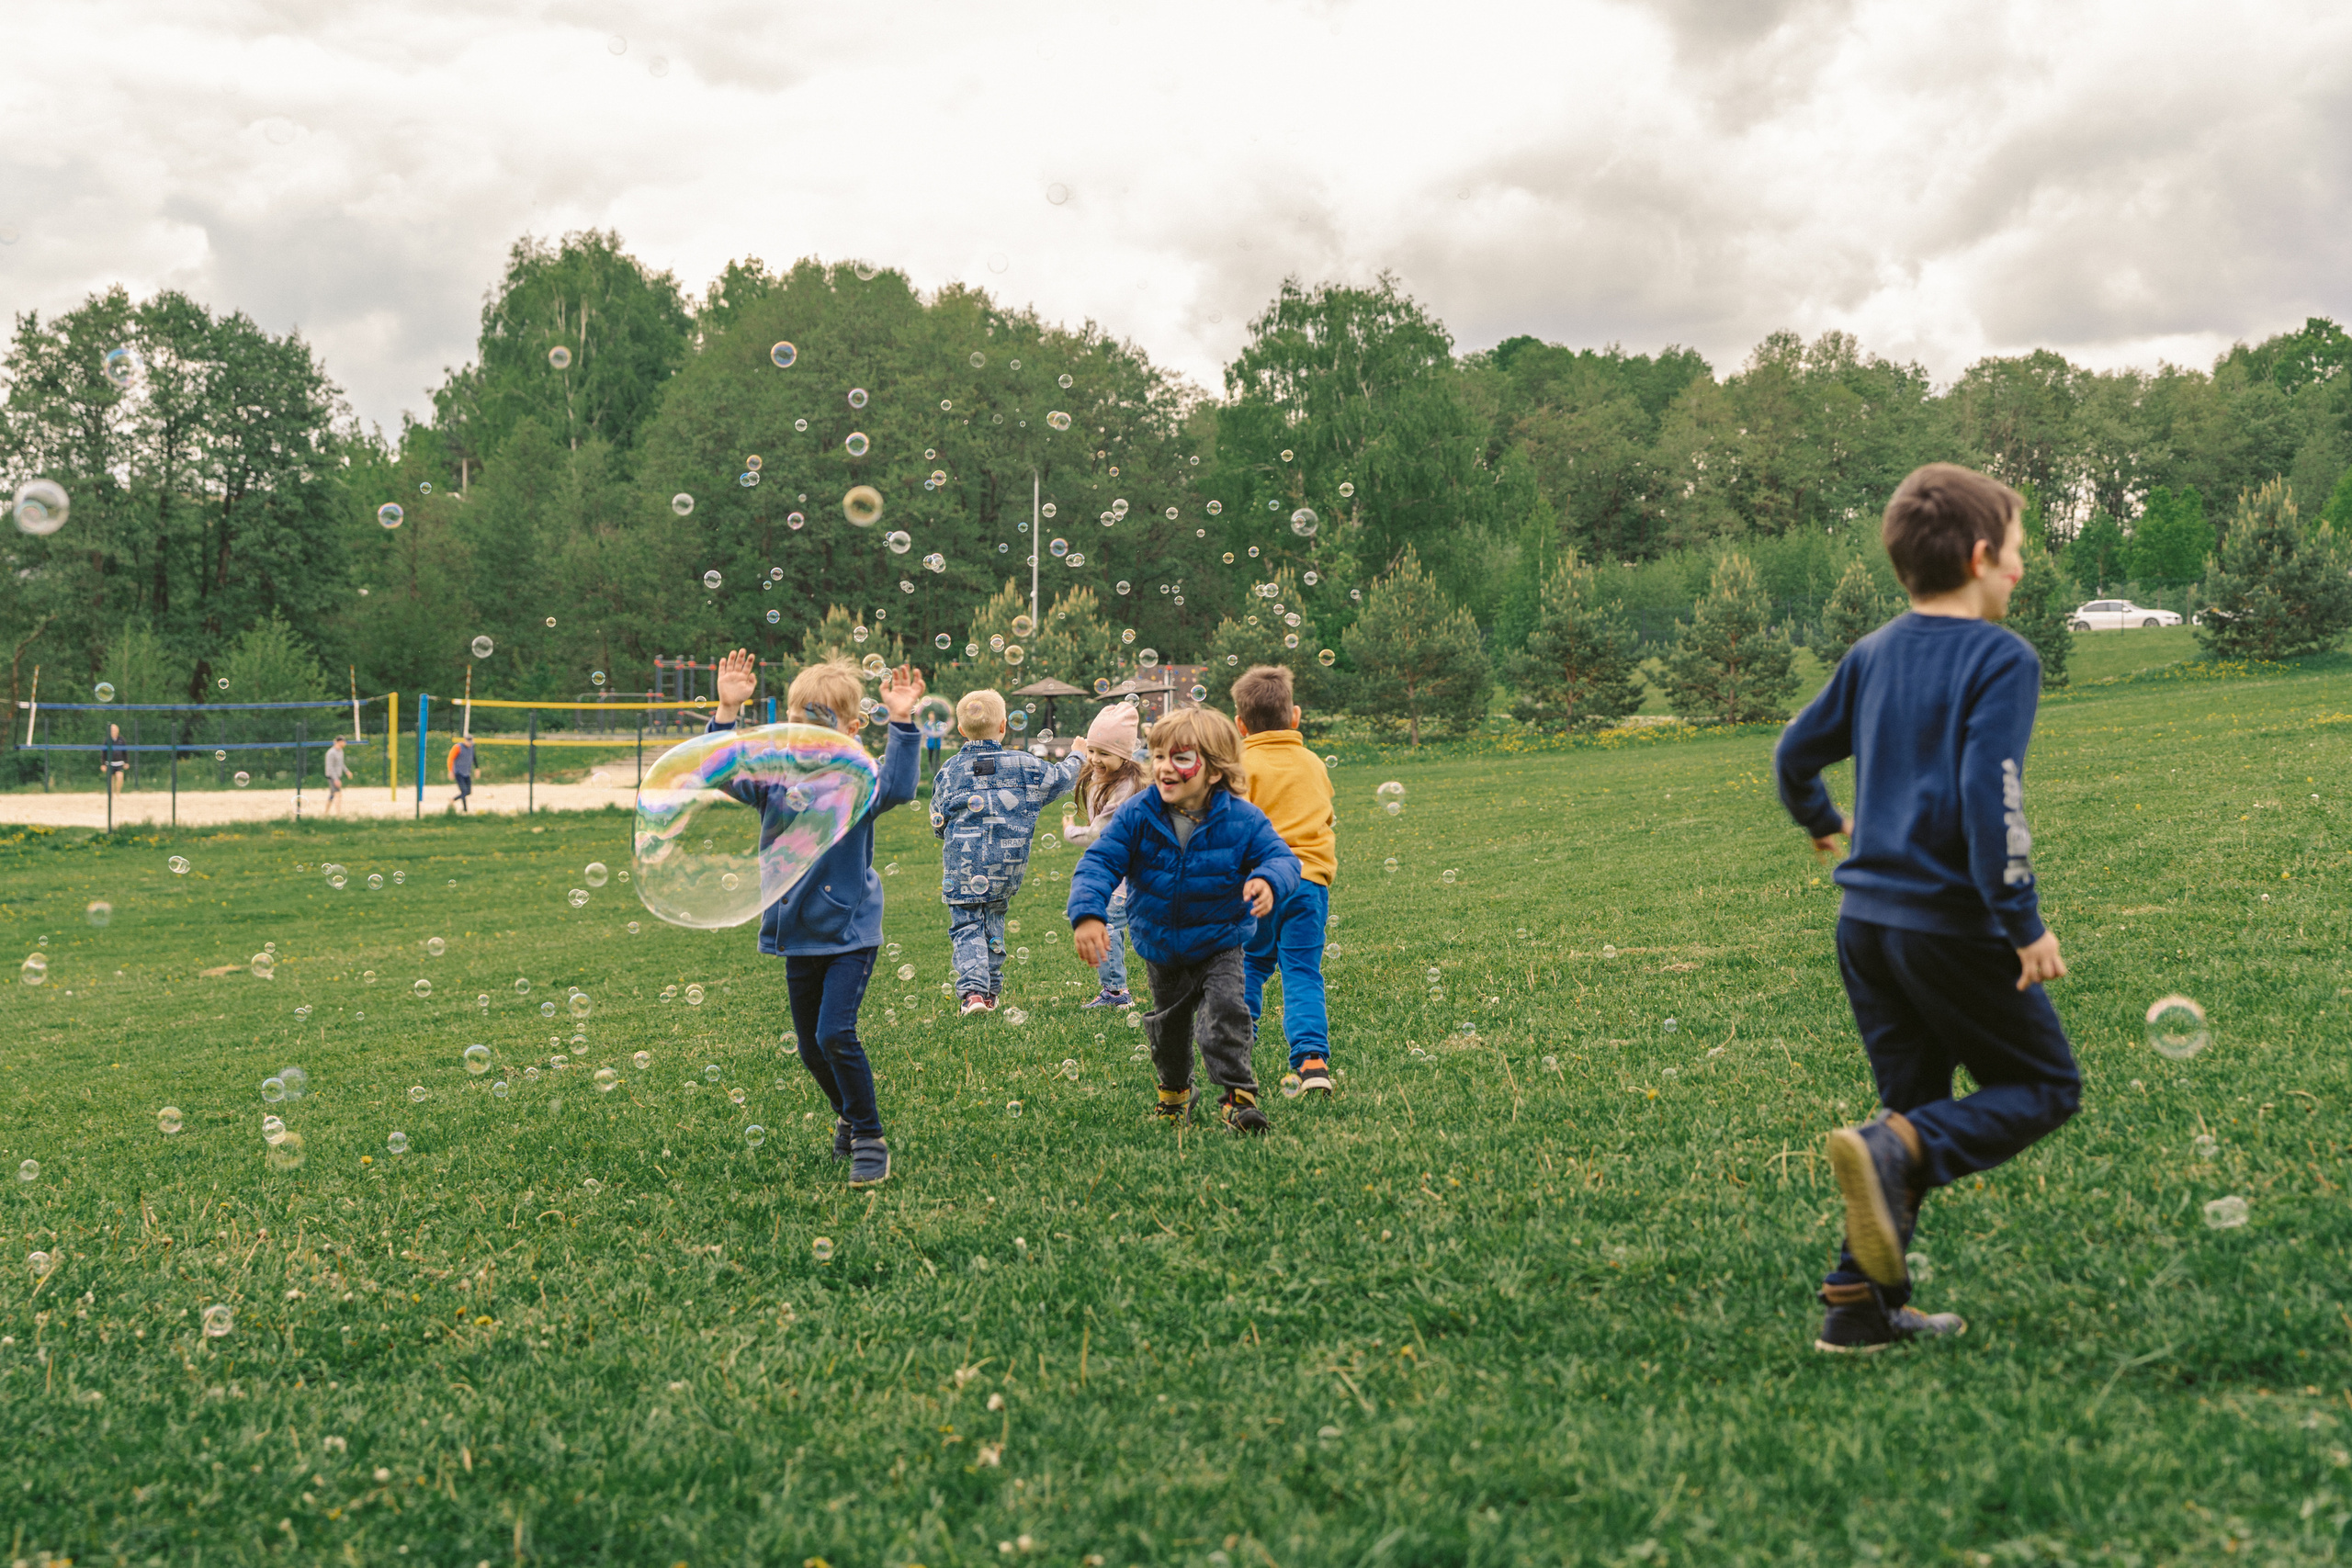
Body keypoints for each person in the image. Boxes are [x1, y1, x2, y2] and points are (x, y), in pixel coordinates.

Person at [1773, 462, 2078, 1354]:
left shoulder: (1870, 654)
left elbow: (1795, 753)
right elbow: (1993, 798)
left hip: (1864, 925)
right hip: (1947, 924)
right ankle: (1894, 1159)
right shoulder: (2000, 658)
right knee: (2045, 1087)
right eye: (2016, 553)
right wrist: (2021, 920)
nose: (2020, 571)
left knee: (1908, 1107)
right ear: (1981, 556)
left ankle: (1856, 1308)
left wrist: (1821, 820)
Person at [710, 648, 923, 1187]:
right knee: (809, 1047)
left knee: (834, 1034)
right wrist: (727, 710)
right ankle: (849, 1117)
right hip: (798, 934)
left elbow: (900, 786)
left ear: (852, 729)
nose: (810, 732)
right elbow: (721, 771)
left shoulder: (858, 785)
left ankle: (869, 1136)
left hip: (849, 933)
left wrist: (901, 720)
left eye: (824, 721)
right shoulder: (777, 786)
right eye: (802, 720)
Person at [1068, 707, 1301, 1134]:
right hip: (1161, 945)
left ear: (1214, 771)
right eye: (1157, 756)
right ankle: (1175, 1092)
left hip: (1221, 940)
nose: (1164, 767)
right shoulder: (1138, 814)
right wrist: (1088, 913)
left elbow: (1280, 857)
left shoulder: (1241, 818)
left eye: (1180, 758)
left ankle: (1238, 1096)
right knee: (1169, 1032)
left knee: (1228, 1014)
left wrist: (1269, 880)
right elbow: (1099, 861)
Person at [931, 688, 1082, 1014]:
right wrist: (1078, 754)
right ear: (1003, 727)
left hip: (962, 868)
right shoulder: (1025, 765)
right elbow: (1063, 777)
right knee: (994, 923)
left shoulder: (949, 771)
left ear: (960, 730)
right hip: (1006, 868)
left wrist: (948, 831)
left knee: (967, 926)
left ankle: (973, 993)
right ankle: (991, 993)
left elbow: (937, 821)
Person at [1231, 665, 1338, 1094]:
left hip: (1256, 887)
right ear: (1294, 716)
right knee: (1302, 971)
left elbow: (1231, 827)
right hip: (1309, 885)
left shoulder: (1239, 765)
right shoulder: (1313, 763)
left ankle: (1237, 1049)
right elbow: (1326, 815)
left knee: (1251, 966)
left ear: (1240, 724)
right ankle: (1313, 1063)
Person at [1059, 702, 1148, 1009]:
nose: (1095, 759)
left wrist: (1072, 831)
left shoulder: (1126, 787)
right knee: (1126, 928)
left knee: (1108, 925)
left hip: (1123, 874)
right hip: (1118, 872)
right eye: (1093, 750)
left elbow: (1101, 833)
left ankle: (1115, 992)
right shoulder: (1106, 776)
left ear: (1124, 755)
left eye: (1104, 753)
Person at [446, 734, 476, 813]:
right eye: (468, 742)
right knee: (464, 791)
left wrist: (477, 768)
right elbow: (450, 759)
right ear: (464, 740)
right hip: (458, 773)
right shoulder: (458, 747)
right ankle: (465, 810)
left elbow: (473, 757)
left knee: (468, 791)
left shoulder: (472, 747)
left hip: (467, 772)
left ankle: (453, 799)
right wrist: (450, 771)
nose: (470, 744)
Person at [322, 735, 348, 816]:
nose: (345, 743)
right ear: (339, 742)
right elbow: (330, 767)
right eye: (344, 742)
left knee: (332, 795)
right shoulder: (331, 752)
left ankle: (325, 813)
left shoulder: (340, 751)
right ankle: (338, 815)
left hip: (337, 776)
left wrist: (347, 771)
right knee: (338, 794)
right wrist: (336, 779)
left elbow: (341, 763)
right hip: (332, 776)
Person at [101, 724, 128, 797]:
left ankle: (118, 793)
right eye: (112, 730)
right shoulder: (107, 740)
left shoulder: (121, 740)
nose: (114, 731)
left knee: (120, 777)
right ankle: (111, 795)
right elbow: (103, 753)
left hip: (119, 763)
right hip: (110, 763)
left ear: (118, 731)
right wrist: (103, 764)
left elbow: (125, 751)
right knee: (111, 780)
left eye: (115, 730)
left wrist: (126, 762)